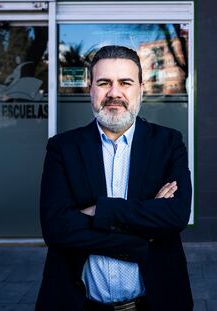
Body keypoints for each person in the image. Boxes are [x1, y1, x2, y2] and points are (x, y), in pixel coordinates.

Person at [35, 45, 193, 311]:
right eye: (104, 82)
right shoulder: (63, 148)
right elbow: (56, 228)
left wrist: (99, 210)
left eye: (125, 82)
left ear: (141, 89)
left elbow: (175, 215)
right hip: (78, 304)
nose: (114, 93)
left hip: (156, 303)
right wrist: (142, 238)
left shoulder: (168, 143)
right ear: (91, 90)